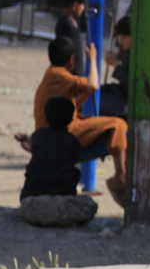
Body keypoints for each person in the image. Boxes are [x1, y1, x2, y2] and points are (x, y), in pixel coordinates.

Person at [33, 36, 128, 204]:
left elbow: (71, 105)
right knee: (118, 124)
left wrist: (86, 94)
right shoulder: (63, 77)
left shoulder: (52, 73)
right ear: (72, 60)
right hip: (61, 130)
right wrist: (93, 59)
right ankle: (120, 176)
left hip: (51, 128)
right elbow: (93, 85)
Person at [21, 95, 82, 200]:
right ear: (71, 118)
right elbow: (74, 159)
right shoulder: (73, 141)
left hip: (32, 192)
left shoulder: (38, 135)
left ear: (46, 116)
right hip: (63, 192)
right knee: (76, 172)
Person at [99, 15, 131, 119]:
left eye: (124, 38)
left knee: (98, 103)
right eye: (119, 37)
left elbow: (132, 83)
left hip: (127, 100)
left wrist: (115, 64)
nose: (120, 41)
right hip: (119, 91)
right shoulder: (127, 49)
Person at [55, 0, 88, 78]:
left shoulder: (66, 22)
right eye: (82, 5)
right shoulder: (67, 25)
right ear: (75, 5)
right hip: (72, 76)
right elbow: (68, 53)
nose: (83, 8)